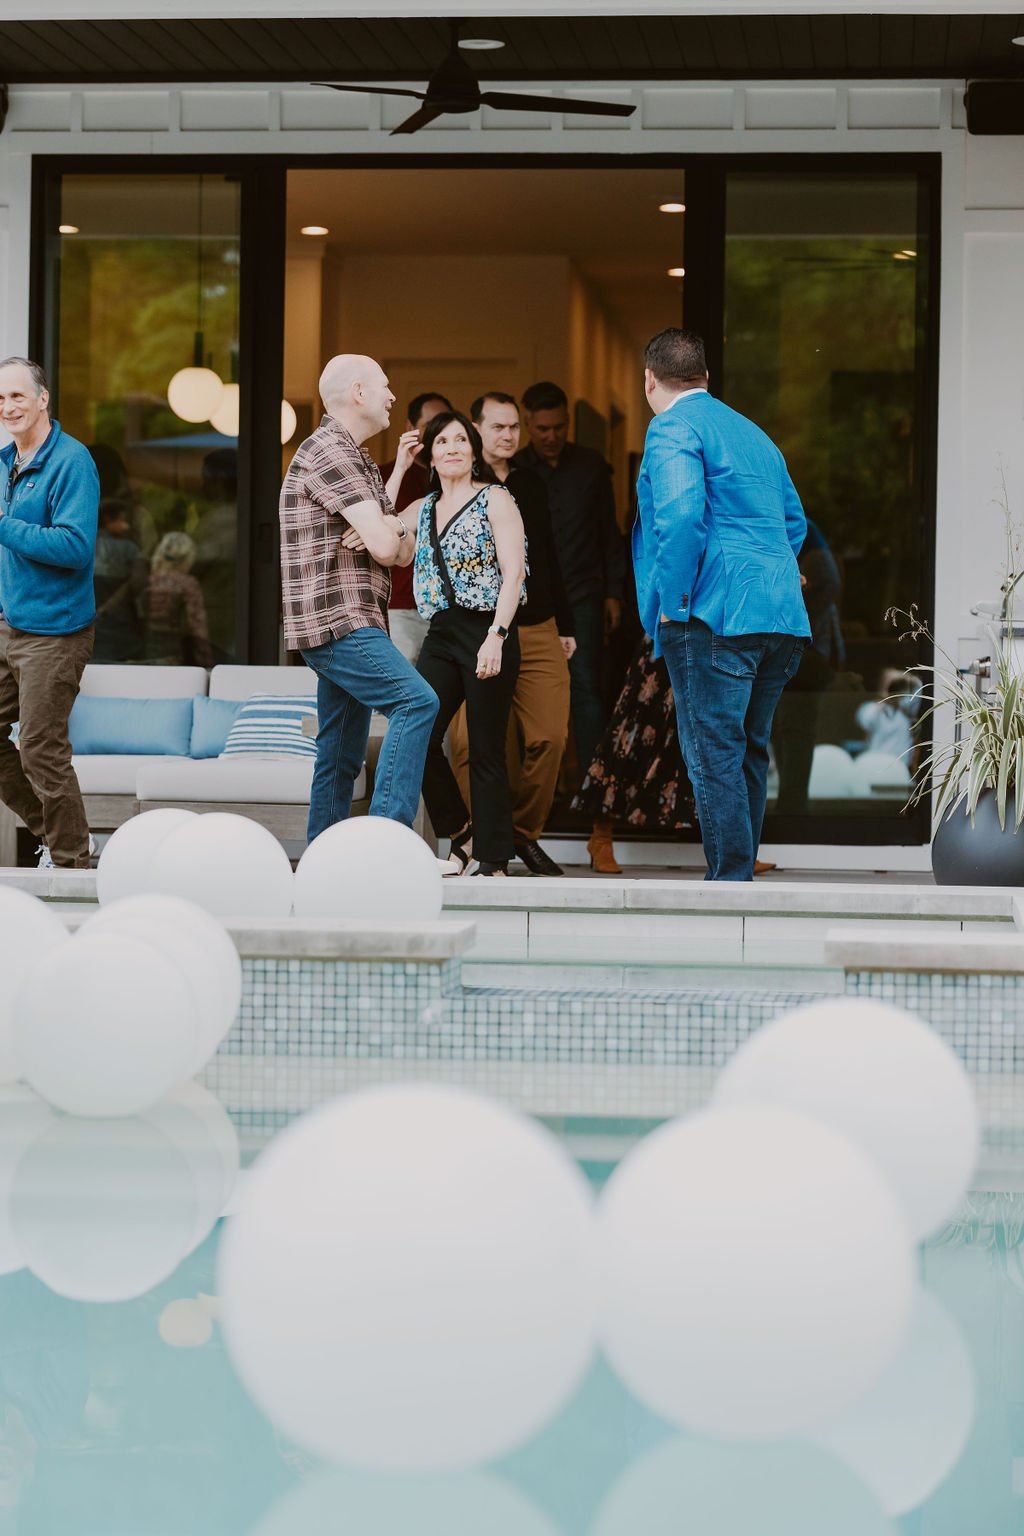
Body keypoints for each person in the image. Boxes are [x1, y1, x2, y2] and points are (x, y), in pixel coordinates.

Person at [635, 328, 810, 881]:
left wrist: (676, 600)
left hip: (712, 615)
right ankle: (740, 881)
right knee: (748, 750)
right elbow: (794, 524)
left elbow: (681, 517)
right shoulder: (754, 434)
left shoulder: (671, 427)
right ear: (706, 377)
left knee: (713, 755)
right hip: (779, 616)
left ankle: (729, 888)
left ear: (649, 380)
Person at [279, 353, 439, 840]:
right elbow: (393, 545)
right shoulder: (331, 450)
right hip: (339, 620)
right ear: (358, 392)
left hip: (350, 619)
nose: (393, 396)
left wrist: (384, 528)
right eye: (385, 386)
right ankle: (384, 842)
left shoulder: (358, 456)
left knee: (340, 755)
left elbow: (401, 551)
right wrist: (388, 531)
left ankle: (322, 863)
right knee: (417, 703)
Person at [408, 410, 526, 877]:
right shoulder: (423, 508)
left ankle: (493, 858)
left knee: (485, 747)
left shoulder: (495, 498)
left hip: (488, 627)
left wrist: (496, 636)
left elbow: (513, 572)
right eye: (442, 442)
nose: (452, 448)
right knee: (415, 731)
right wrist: (398, 468)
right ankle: (461, 836)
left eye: (461, 440)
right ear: (431, 456)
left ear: (473, 450)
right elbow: (385, 539)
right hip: (442, 633)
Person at [515, 380, 626, 873]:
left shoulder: (590, 468)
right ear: (527, 425)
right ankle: (536, 803)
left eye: (559, 427)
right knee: (529, 697)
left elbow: (610, 534)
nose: (552, 436)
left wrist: (613, 595)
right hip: (530, 600)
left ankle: (596, 813)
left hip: (582, 594)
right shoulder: (514, 469)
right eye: (542, 429)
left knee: (585, 695)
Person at [466, 391, 574, 876]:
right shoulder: (457, 480)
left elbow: (548, 554)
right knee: (475, 746)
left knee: (549, 738)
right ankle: (487, 837)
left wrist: (566, 623)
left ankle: (521, 835)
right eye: (498, 427)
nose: (508, 435)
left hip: (537, 625)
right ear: (476, 429)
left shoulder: (530, 481)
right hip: (478, 630)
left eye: (514, 427)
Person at [0, 357, 99, 870]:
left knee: (40, 747)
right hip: (7, 623)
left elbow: (74, 547)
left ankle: (72, 866)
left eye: (17, 396)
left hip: (55, 631)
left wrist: (3, 525)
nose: (8, 407)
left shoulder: (71, 460)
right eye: (0, 399)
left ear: (43, 399)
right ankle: (61, 836)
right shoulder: (2, 462)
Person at [381, 391, 453, 666]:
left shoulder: (455, 478)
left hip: (445, 610)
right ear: (410, 428)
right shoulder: (385, 474)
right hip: (400, 607)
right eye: (430, 423)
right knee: (395, 696)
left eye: (445, 422)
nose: (438, 430)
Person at [142, 530, 213, 667]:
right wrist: (207, 666)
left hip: (141, 659)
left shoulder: (145, 582)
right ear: (188, 559)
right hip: (173, 661)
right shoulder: (188, 585)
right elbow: (197, 629)